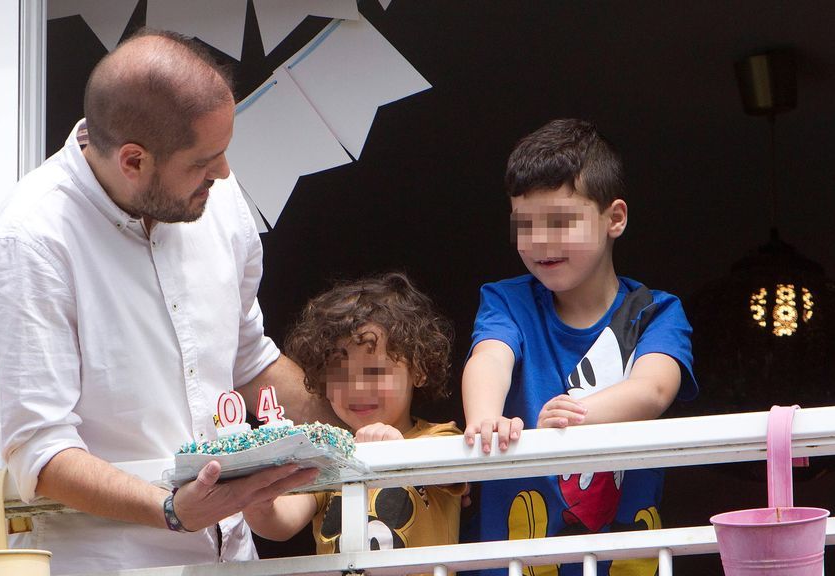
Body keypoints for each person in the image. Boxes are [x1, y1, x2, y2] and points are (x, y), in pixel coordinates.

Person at [0, 29, 331, 574]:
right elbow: (41, 452)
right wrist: (172, 511)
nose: (223, 173)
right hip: (107, 563)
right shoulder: (31, 241)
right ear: (133, 160)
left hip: (233, 558)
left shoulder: (217, 198)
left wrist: (358, 433)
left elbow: (249, 360)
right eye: (203, 161)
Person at [460, 119, 697, 576]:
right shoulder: (507, 301)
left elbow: (653, 390)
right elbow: (490, 357)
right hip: (515, 564)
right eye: (524, 224)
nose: (540, 241)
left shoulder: (657, 312)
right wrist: (484, 417)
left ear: (615, 218)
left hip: (621, 564)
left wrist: (574, 414)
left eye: (560, 221)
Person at [243, 272, 465, 573]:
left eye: (375, 372)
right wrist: (257, 504)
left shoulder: (441, 436)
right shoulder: (327, 453)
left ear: (418, 370)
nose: (358, 389)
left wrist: (395, 450)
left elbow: (452, 472)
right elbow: (282, 523)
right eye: (340, 375)